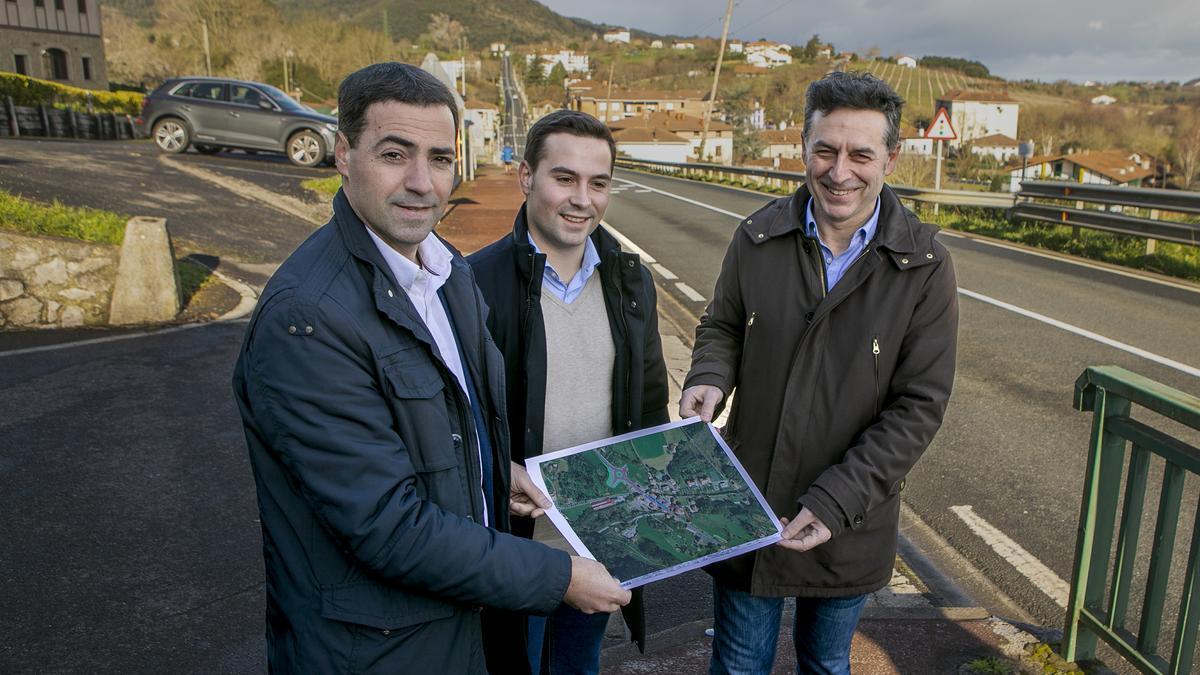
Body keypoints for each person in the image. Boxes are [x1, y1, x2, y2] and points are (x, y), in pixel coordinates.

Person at [232, 62, 630, 675]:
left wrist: (499, 474)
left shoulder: (445, 272)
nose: (422, 182)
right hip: (378, 647)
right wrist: (559, 578)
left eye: (440, 159)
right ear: (343, 153)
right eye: (395, 154)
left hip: (459, 625)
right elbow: (385, 526)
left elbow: (451, 425)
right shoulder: (307, 318)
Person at [679, 71, 959, 675]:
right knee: (738, 665)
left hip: (851, 518)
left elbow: (919, 406)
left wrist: (834, 503)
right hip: (748, 503)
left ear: (891, 157)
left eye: (861, 154)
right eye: (825, 150)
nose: (840, 172)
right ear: (803, 148)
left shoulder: (925, 266)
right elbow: (722, 325)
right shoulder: (756, 238)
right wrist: (708, 376)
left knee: (826, 665)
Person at [469, 110, 670, 674]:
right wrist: (498, 467)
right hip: (518, 547)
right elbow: (453, 419)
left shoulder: (632, 281)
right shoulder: (472, 284)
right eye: (565, 178)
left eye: (599, 183)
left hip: (601, 536)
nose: (583, 199)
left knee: (580, 667)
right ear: (526, 176)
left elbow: (651, 398)